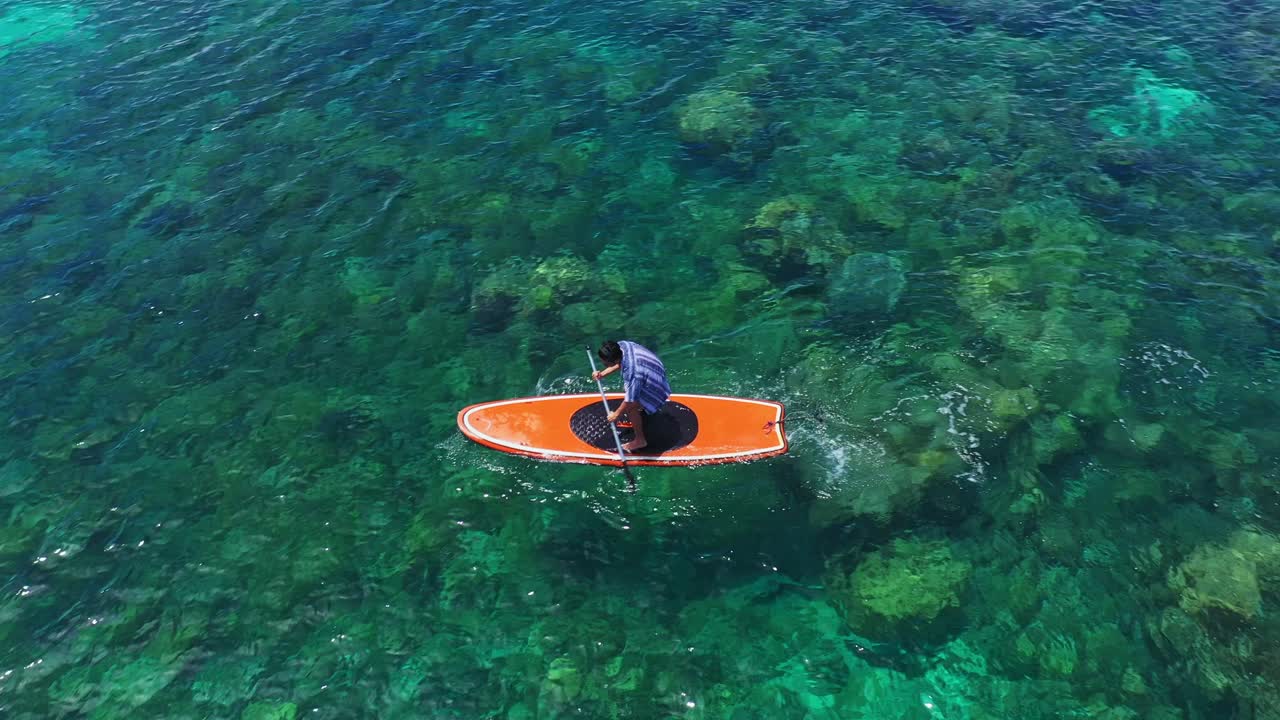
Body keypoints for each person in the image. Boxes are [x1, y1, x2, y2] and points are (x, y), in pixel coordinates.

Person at [591, 340, 671, 452]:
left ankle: (640, 440)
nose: (603, 364)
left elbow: (630, 400)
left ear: (614, 359)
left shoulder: (633, 373)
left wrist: (616, 414)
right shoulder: (622, 346)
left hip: (656, 384)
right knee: (630, 388)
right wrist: (603, 374)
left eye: (605, 363)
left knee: (631, 407)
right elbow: (620, 363)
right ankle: (641, 408)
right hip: (653, 369)